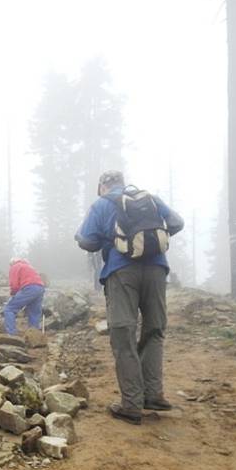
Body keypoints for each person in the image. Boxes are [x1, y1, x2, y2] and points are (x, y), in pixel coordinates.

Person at [75, 170, 184, 425]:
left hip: (121, 271)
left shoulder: (102, 204)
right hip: (157, 269)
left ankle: (132, 404)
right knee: (155, 330)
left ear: (102, 185)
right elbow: (177, 223)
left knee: (123, 333)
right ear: (123, 183)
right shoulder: (150, 199)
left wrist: (111, 240)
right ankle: (153, 394)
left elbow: (88, 241)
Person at [3, 258, 45, 335]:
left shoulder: (15, 266)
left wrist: (13, 295)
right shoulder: (29, 266)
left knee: (9, 308)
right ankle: (34, 336)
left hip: (29, 288)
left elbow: (14, 285)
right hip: (40, 287)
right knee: (34, 312)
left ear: (12, 263)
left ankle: (11, 334)